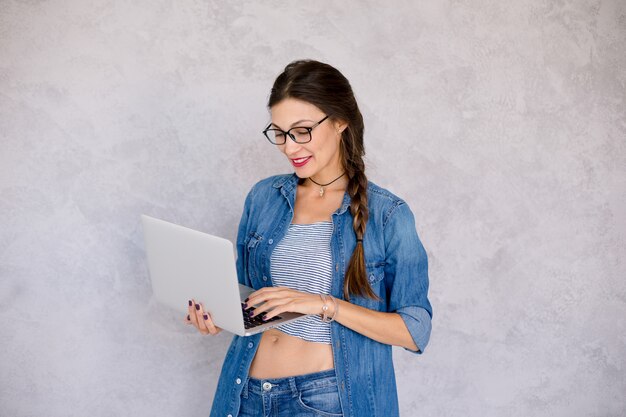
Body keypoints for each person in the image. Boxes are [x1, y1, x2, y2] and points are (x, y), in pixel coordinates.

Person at [186, 59, 432, 417]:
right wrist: (216, 314)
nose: (289, 147)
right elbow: (246, 294)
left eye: (302, 131)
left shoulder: (388, 214)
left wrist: (321, 304)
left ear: (340, 121)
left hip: (324, 400)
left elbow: (415, 330)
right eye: (280, 133)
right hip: (243, 395)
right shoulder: (264, 197)